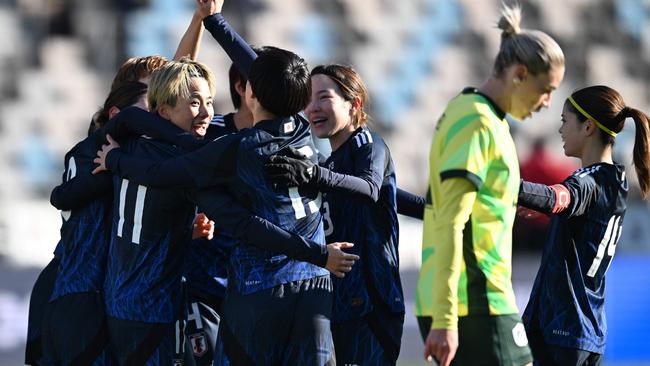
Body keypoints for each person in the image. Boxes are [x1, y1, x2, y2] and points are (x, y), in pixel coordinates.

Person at [93, 2, 355, 363]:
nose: (202, 110)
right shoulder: (301, 128)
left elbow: (167, 175)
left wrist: (115, 159)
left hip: (258, 288)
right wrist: (212, 20)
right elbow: (181, 89)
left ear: (251, 91)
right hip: (312, 286)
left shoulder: (233, 148)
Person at [25, 4, 209, 362]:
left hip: (110, 304)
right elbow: (65, 199)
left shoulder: (133, 156)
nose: (161, 110)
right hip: (75, 300)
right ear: (118, 113)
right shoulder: (93, 153)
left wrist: (201, 20)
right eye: (152, 100)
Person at [415, 3, 565, 365]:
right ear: (519, 73)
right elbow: (452, 222)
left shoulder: (485, 117)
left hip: (481, 300)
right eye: (545, 90)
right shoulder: (476, 121)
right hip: (472, 303)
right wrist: (446, 318)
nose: (547, 103)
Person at [265, 64, 404, 365]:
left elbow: (370, 188)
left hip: (372, 302)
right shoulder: (330, 164)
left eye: (323, 97)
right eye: (308, 99)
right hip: (338, 301)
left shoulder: (367, 144)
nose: (312, 108)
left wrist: (312, 175)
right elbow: (397, 198)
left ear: (353, 104)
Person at [518, 85, 650, 365]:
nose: (560, 130)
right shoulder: (616, 180)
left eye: (565, 121)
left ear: (588, 127)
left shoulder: (587, 181)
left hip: (561, 332)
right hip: (588, 331)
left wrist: (502, 184)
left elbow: (560, 197)